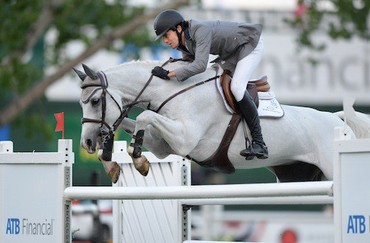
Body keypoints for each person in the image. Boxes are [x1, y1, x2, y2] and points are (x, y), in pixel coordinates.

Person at [151, 9, 268, 159]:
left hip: (250, 44)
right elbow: (188, 66)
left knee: (237, 88)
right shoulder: (183, 43)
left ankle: (259, 143)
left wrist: (168, 74)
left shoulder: (200, 30)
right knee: (212, 79)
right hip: (230, 53)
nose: (165, 41)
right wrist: (168, 75)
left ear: (178, 28)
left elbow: (199, 65)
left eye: (166, 35)